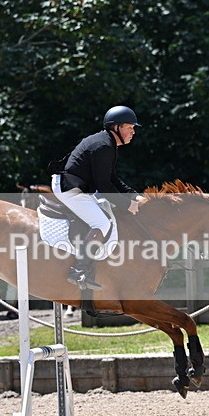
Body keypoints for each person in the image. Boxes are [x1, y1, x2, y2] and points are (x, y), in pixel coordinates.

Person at [49, 105, 146, 290]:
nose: (133, 132)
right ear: (116, 127)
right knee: (102, 224)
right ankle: (79, 270)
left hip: (78, 187)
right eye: (130, 127)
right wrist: (127, 205)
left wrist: (134, 195)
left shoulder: (106, 143)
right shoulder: (104, 146)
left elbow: (110, 177)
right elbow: (103, 185)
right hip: (71, 189)